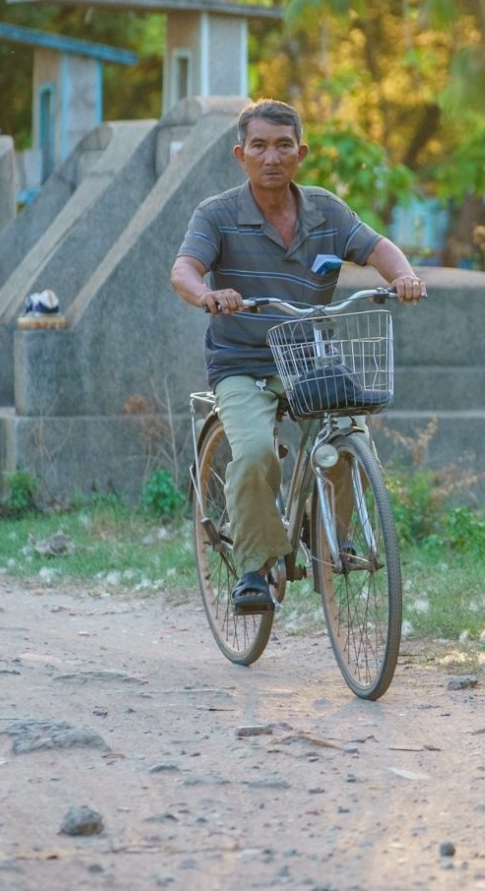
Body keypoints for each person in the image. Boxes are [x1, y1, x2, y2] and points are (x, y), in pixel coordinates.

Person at [170, 100, 426, 613]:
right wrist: (207, 295)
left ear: (301, 152)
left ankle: (336, 537)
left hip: (305, 359)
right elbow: (184, 270)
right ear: (240, 154)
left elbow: (377, 248)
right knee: (257, 454)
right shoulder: (216, 214)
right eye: (259, 146)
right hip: (241, 363)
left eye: (284, 145)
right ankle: (254, 569)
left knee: (349, 434)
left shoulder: (326, 210)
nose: (272, 157)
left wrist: (402, 275)